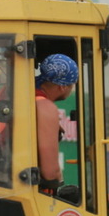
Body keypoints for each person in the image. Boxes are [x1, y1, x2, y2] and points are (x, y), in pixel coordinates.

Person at [34, 54, 79, 197]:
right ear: (62, 87)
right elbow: (50, 173)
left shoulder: (21, 94)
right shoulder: (44, 106)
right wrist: (61, 188)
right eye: (72, 85)